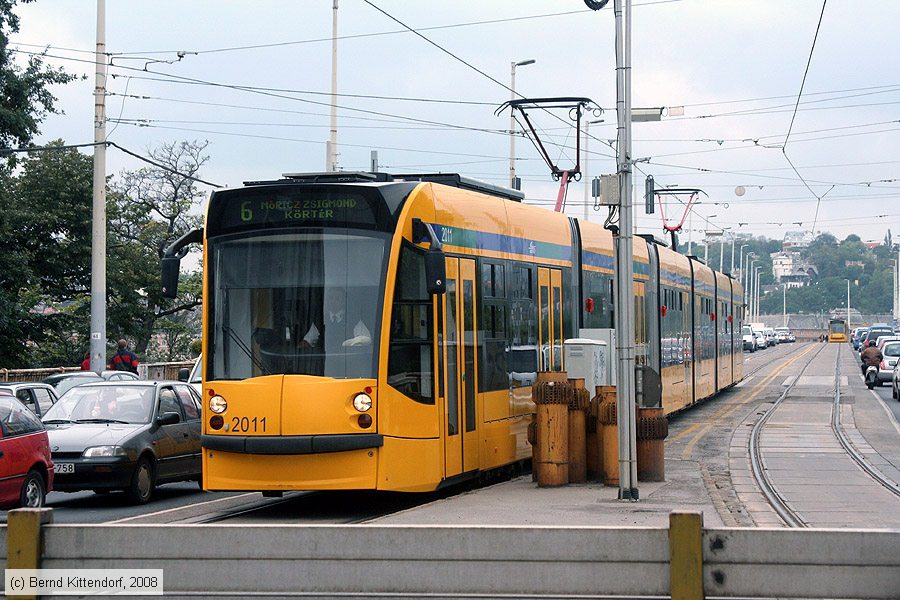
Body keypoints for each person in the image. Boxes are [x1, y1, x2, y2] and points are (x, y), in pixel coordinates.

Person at [302, 288, 371, 349]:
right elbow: (308, 340)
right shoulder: (320, 319)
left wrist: (350, 343)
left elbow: (366, 339)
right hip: (325, 359)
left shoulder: (353, 319)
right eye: (331, 298)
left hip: (348, 359)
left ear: (344, 301)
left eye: (337, 298)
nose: (333, 301)